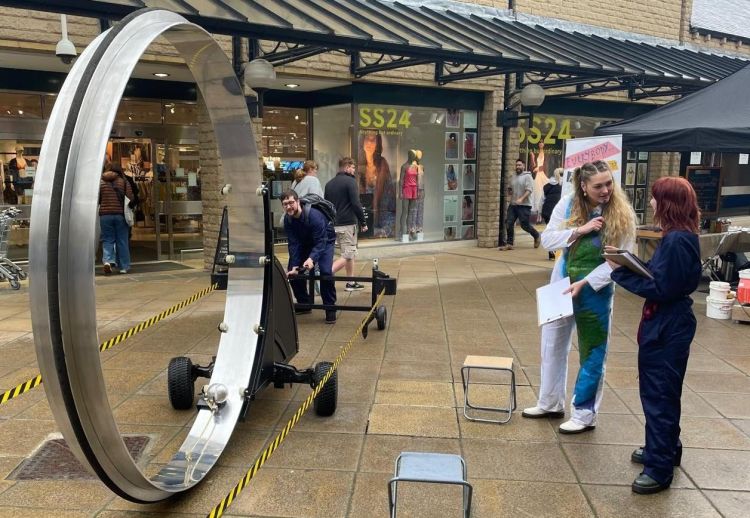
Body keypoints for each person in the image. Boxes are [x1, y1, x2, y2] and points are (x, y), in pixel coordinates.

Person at [522, 160, 636, 434]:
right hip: (561, 284)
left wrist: (587, 282)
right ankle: (550, 402)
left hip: (595, 291)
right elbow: (548, 240)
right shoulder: (567, 204)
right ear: (583, 186)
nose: (606, 190)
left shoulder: (623, 213)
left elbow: (621, 259)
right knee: (551, 344)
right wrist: (579, 231)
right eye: (598, 186)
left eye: (609, 183)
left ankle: (584, 413)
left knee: (593, 351)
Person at [607, 177, 701, 495]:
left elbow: (661, 287)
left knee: (659, 394)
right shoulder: (677, 235)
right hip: (669, 323)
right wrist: (630, 262)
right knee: (662, 391)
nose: (650, 202)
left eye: (654, 197)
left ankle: (658, 468)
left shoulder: (676, 240)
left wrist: (620, 272)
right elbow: (661, 275)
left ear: (668, 202)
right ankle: (665, 449)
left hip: (667, 325)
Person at [281, 190, 337, 324]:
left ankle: (330, 307)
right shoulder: (288, 220)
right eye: (285, 204)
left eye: (291, 203)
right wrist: (295, 265)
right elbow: (294, 244)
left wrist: (311, 258)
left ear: (298, 201)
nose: (289, 207)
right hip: (305, 241)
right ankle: (304, 303)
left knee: (325, 272)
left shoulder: (314, 216)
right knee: (293, 272)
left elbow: (321, 242)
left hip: (325, 240)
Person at [325, 157, 368, 291]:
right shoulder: (350, 182)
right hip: (347, 224)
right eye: (353, 167)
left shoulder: (329, 184)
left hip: (333, 224)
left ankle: (350, 282)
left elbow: (327, 206)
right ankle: (325, 275)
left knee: (348, 253)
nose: (354, 170)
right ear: (347, 167)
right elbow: (356, 204)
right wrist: (363, 222)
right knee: (349, 254)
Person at [99, 161, 134, 274]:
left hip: (105, 215)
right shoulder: (123, 182)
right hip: (120, 215)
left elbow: (97, 198)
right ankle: (124, 267)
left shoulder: (101, 182)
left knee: (108, 239)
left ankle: (108, 261)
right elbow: (130, 197)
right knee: (122, 240)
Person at [358, 132, 395, 238]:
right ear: (362, 142)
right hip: (365, 213)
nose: (369, 142)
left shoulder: (382, 164)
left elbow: (382, 200)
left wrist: (375, 222)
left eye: (373, 139)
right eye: (367, 139)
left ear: (377, 143)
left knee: (386, 229)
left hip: (382, 213)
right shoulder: (359, 165)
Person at [499, 159, 541, 251]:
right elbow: (510, 187)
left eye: (519, 165)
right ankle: (509, 244)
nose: (517, 167)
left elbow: (529, 190)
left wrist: (521, 199)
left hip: (524, 205)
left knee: (524, 225)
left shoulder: (527, 176)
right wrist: (509, 191)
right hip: (513, 204)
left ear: (523, 166)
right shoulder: (513, 176)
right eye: (517, 165)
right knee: (509, 223)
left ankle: (536, 235)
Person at [399, 149, 423, 238]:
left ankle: (408, 231)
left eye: (414, 155)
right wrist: (400, 192)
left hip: (414, 189)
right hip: (407, 189)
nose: (414, 156)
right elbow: (401, 180)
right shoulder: (404, 166)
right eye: (412, 154)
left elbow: (417, 180)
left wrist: (418, 191)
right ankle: (402, 231)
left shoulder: (415, 166)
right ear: (409, 155)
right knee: (404, 211)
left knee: (411, 212)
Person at [541, 168, 563, 260]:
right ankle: (558, 253)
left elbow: (542, 200)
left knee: (551, 232)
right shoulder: (564, 185)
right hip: (559, 212)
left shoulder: (546, 186)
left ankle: (551, 253)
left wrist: (539, 212)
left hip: (547, 211)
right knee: (559, 233)